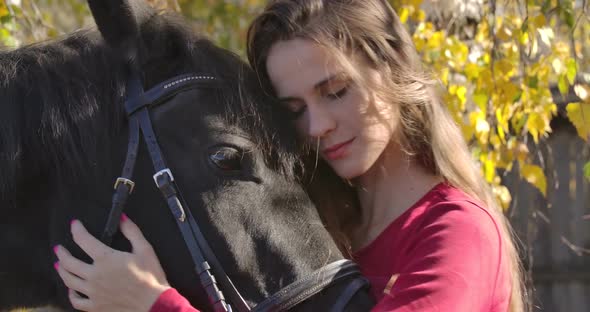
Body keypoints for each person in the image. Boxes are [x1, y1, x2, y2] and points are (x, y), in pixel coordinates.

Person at [53, 0, 526, 311]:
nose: (318, 127)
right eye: (294, 109)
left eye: (337, 91)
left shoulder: (457, 233)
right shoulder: (316, 222)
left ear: (391, 70)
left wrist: (154, 304)